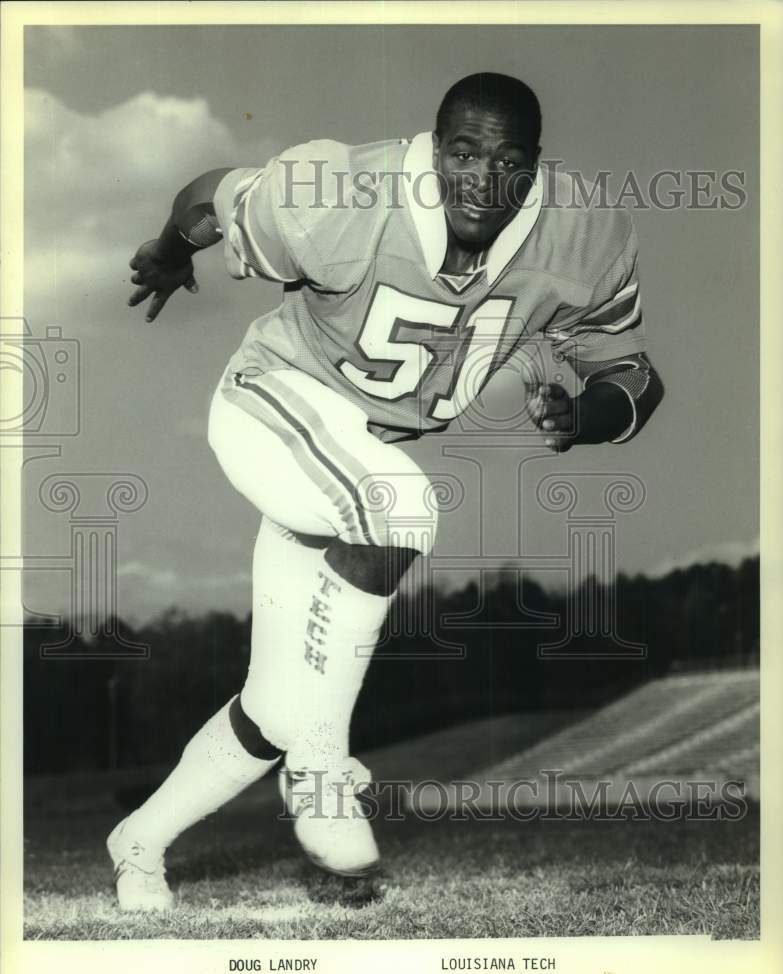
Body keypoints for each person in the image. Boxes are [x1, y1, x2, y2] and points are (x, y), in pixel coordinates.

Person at [108, 72, 664, 910]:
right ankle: (323, 774)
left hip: (351, 460)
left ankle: (139, 838)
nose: (483, 179)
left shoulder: (581, 236)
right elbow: (212, 196)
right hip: (272, 406)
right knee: (399, 506)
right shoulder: (341, 195)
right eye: (464, 154)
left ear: (536, 166)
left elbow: (632, 374)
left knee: (275, 707)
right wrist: (167, 250)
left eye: (508, 160)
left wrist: (586, 413)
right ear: (434, 151)